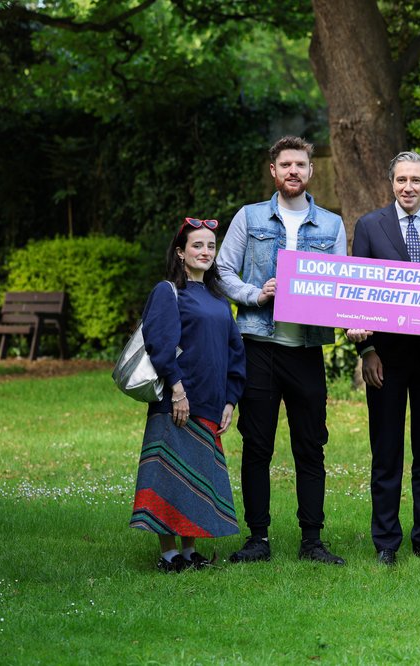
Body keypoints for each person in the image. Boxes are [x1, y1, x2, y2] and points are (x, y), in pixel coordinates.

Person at [217, 136, 348, 566]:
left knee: (311, 446)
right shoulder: (250, 216)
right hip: (259, 346)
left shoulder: (331, 225)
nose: (294, 171)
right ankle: (258, 538)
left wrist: (354, 317)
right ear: (273, 170)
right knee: (257, 445)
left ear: (311, 170)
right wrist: (255, 294)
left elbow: (341, 287)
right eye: (286, 164)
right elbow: (222, 269)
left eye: (301, 164)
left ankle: (312, 540)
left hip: (305, 350)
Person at [347, 151, 420, 566]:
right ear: (391, 183)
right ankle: (386, 542)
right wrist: (366, 351)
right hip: (387, 358)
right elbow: (356, 291)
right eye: (401, 180)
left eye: (416, 180)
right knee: (387, 451)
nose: (408, 187)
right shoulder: (369, 226)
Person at [130, 217, 246, 573]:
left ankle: (191, 551)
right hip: (176, 403)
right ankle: (169, 555)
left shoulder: (218, 298)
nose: (205, 252)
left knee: (196, 480)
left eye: (211, 246)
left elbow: (235, 352)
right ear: (181, 252)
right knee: (168, 478)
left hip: (210, 402)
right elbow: (160, 342)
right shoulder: (168, 292)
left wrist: (230, 400)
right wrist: (177, 390)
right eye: (197, 245)